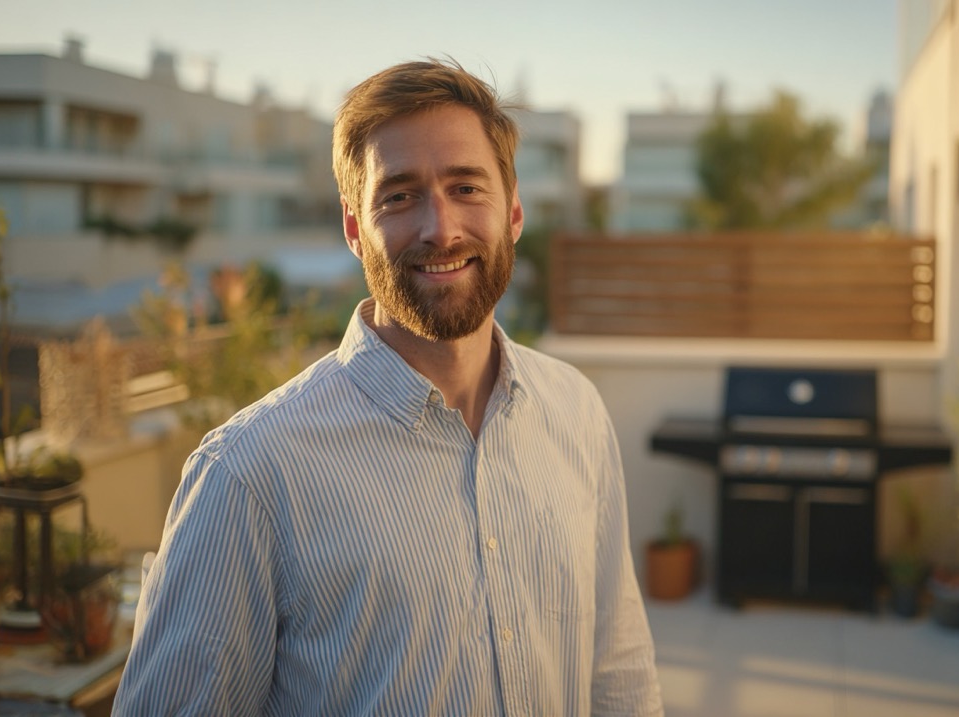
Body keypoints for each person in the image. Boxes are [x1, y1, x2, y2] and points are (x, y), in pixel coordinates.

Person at [113, 58, 664, 716]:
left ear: (513, 210)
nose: (441, 228)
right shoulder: (248, 476)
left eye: (466, 187)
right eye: (399, 195)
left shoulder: (576, 411)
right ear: (354, 228)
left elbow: (618, 669)